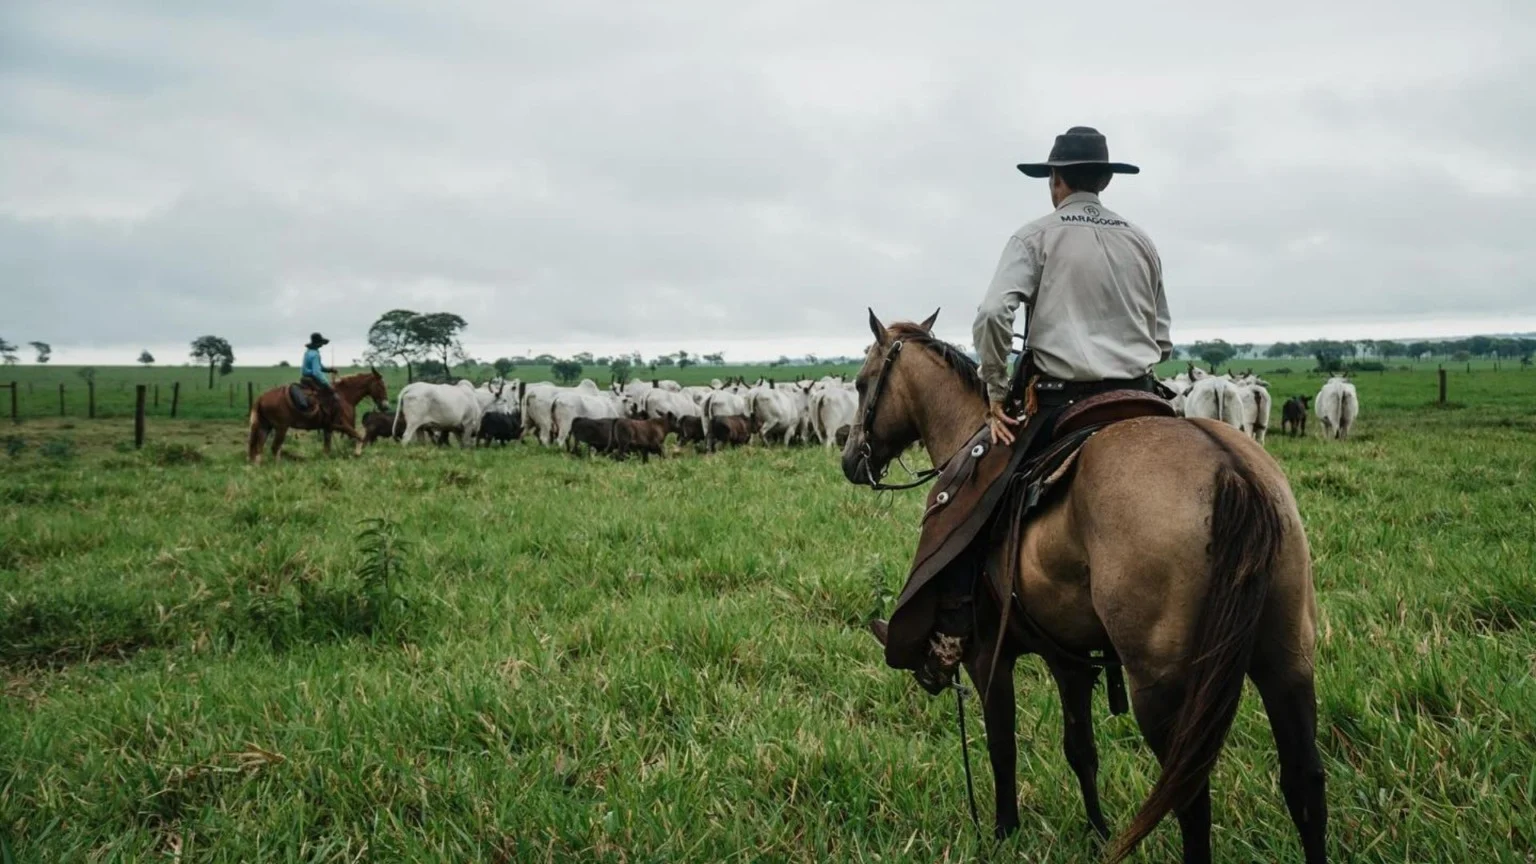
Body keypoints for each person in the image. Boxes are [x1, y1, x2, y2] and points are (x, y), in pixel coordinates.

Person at [910, 126, 1173, 694]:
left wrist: (998, 393)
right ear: (1103, 180)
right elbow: (1163, 337)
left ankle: (950, 636)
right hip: (1143, 397)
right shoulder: (1142, 241)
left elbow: (991, 316)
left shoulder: (1037, 236)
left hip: (1065, 403)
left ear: (1055, 181)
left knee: (964, 493)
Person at [300, 332, 342, 420]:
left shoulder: (308, 352)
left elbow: (319, 367)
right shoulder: (315, 354)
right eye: (321, 343)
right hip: (312, 379)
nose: (322, 345)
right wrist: (328, 384)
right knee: (331, 394)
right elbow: (316, 372)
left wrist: (329, 370)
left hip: (305, 378)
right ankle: (326, 417)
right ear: (317, 343)